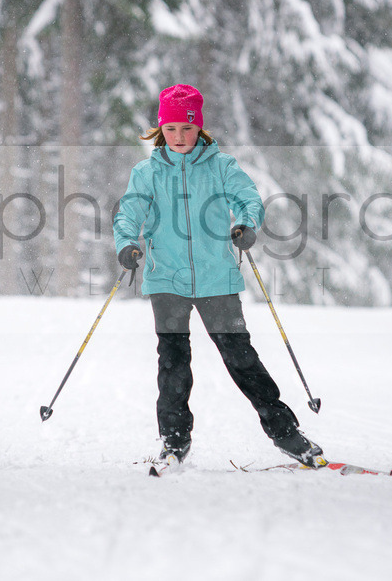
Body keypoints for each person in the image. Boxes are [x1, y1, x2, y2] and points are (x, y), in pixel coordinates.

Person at [112, 83, 326, 468]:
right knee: (173, 362)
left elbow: (248, 199)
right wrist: (126, 243)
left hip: (217, 279)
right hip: (167, 280)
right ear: (162, 130)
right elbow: (129, 213)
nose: (180, 136)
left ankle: (286, 433)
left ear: (200, 129)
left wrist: (246, 224)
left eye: (187, 128)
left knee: (241, 358)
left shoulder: (221, 166)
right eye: (172, 129)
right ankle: (174, 441)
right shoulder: (147, 173)